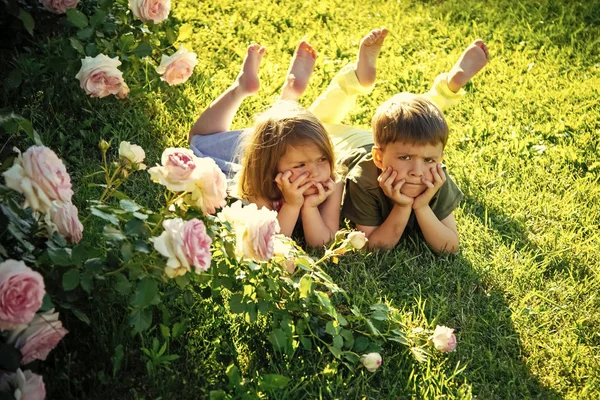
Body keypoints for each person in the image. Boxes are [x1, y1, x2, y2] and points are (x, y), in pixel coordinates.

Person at [189, 29, 389, 247]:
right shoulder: (260, 185)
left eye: (322, 159)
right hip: (248, 155)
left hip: (280, 146)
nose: (315, 171)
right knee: (199, 140)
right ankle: (242, 87)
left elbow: (323, 242)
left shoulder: (332, 181)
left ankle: (289, 96)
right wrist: (292, 205)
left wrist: (311, 207)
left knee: (282, 133)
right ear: (272, 167)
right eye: (301, 165)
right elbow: (272, 240)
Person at [339, 40, 489, 252]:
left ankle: (449, 87)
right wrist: (402, 206)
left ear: (440, 158)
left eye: (429, 160)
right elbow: (373, 248)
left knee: (415, 124)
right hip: (346, 142)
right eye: (405, 158)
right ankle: (353, 78)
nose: (417, 172)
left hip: (386, 143)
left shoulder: (436, 178)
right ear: (379, 159)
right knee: (320, 121)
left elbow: (450, 247)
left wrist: (421, 206)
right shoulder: (364, 179)